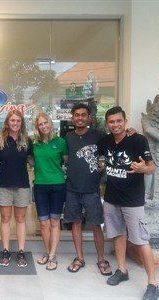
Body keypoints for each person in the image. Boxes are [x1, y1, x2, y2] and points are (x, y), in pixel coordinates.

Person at [99, 106, 159, 300]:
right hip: (111, 198)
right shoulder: (105, 141)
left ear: (125, 122)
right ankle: (122, 271)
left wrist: (143, 168)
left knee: (141, 240)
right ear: (106, 123)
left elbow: (151, 168)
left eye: (119, 121)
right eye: (111, 121)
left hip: (133, 201)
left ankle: (153, 283)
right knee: (117, 235)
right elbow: (100, 160)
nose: (115, 125)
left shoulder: (138, 140)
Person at [63, 103, 112, 276]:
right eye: (77, 115)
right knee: (75, 223)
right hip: (72, 188)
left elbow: (109, 150)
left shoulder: (99, 135)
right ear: (72, 117)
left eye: (83, 115)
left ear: (89, 117)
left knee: (96, 224)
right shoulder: (67, 136)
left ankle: (101, 259)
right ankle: (79, 258)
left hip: (91, 188)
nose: (80, 118)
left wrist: (102, 165)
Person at [0, 110, 33, 268]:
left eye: (18, 120)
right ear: (7, 122)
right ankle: (5, 251)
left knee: (21, 219)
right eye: (12, 120)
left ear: (21, 123)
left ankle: (21, 251)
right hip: (4, 184)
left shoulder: (27, 141)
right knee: (5, 219)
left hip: (22, 185)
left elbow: (32, 160)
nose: (15, 123)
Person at [33, 112, 68, 271]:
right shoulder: (34, 144)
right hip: (40, 185)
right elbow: (30, 160)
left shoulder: (60, 142)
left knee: (54, 222)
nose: (44, 126)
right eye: (40, 124)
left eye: (45, 123)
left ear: (50, 123)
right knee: (43, 223)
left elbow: (67, 162)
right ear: (37, 127)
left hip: (58, 185)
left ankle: (53, 255)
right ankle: (47, 252)